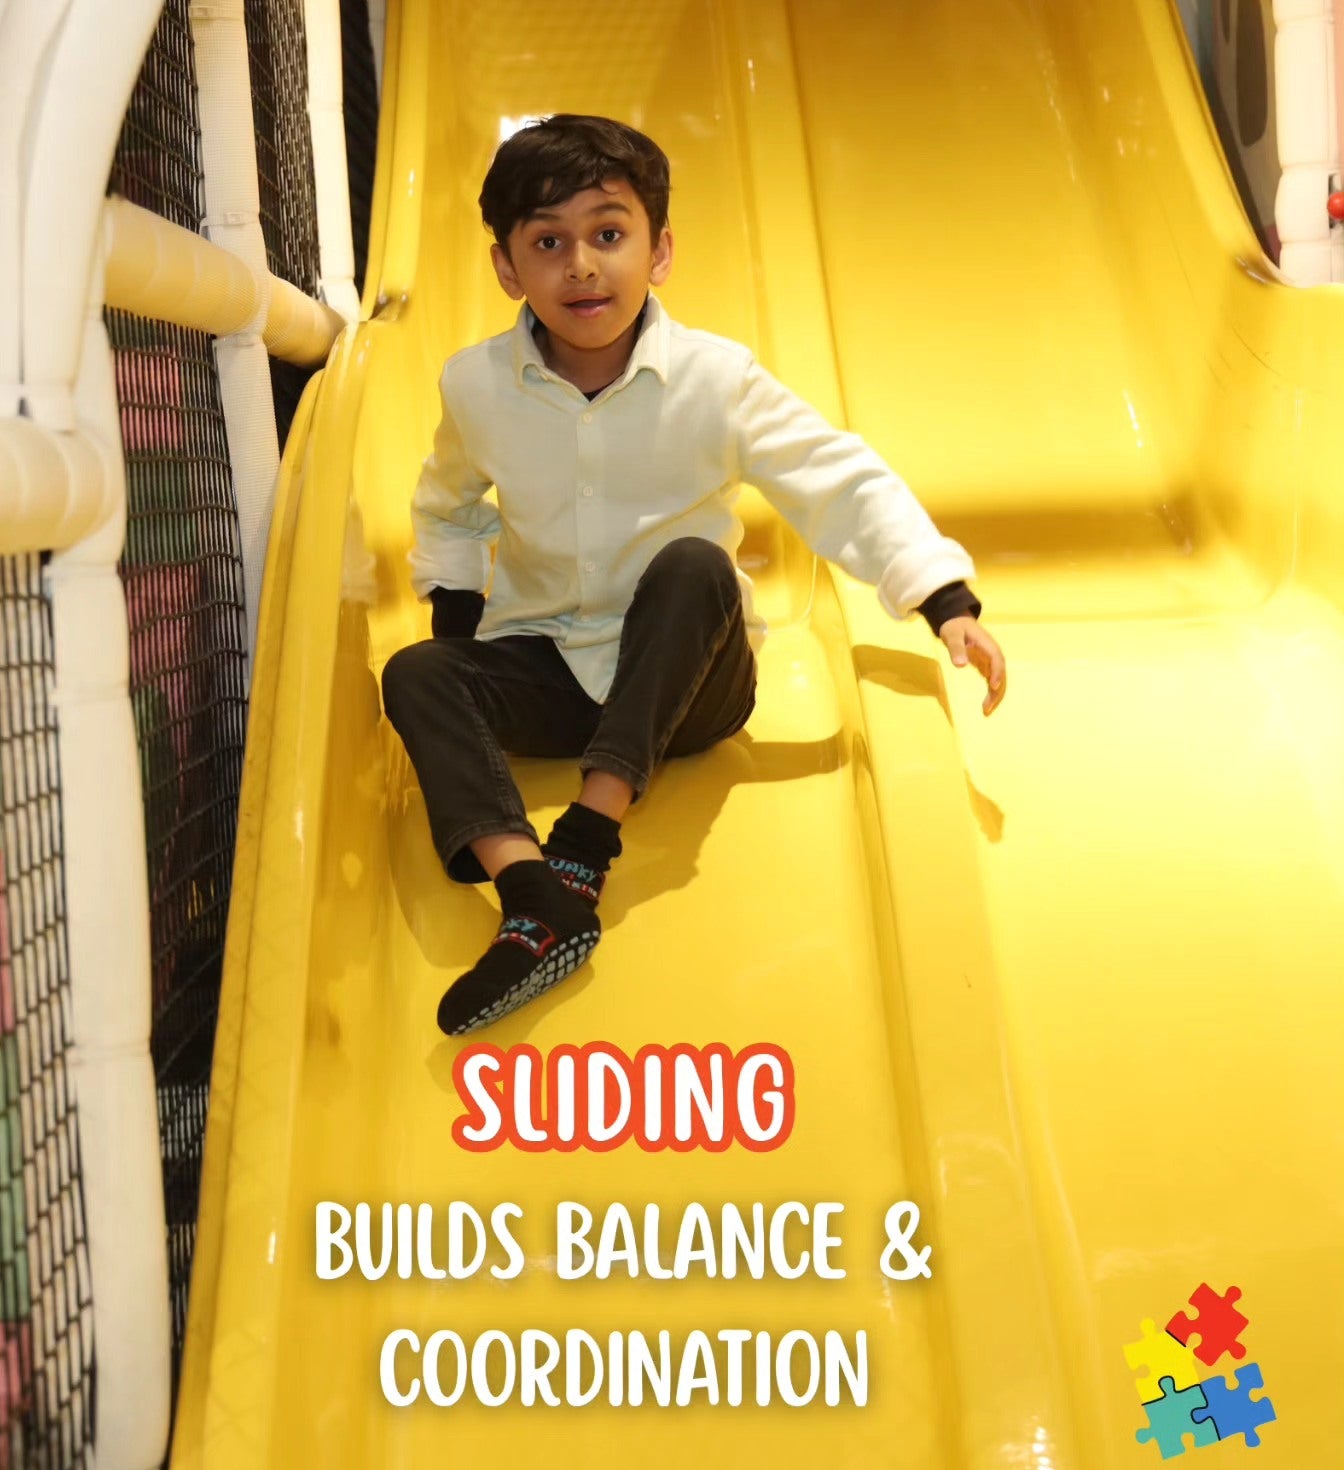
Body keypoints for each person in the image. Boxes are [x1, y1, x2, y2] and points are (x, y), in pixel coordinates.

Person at [382, 114, 1007, 1036]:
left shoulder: (716, 379)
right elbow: (447, 503)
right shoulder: (475, 387)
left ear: (659, 250)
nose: (582, 267)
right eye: (548, 244)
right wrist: (457, 611)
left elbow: (836, 475)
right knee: (415, 674)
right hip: (553, 665)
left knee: (692, 567)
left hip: (691, 686)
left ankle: (584, 844)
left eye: (608, 234)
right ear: (508, 270)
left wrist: (941, 599)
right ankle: (533, 898)